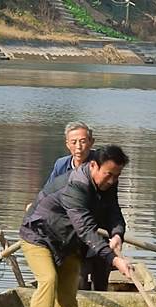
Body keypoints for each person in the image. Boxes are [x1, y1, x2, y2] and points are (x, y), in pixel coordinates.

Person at [20, 145, 132, 307]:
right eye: (108, 174)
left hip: (68, 241)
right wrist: (115, 260)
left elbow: (113, 212)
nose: (111, 180)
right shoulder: (75, 186)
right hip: (39, 236)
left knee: (68, 287)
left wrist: (117, 234)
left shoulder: (109, 183)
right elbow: (86, 230)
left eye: (116, 176)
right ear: (93, 165)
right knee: (49, 280)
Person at [45, 121, 113, 291]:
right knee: (77, 278)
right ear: (67, 144)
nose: (79, 147)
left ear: (91, 142)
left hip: (97, 228)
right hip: (70, 232)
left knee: (100, 276)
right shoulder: (61, 165)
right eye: (74, 142)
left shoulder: (101, 165)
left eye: (83, 141)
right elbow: (48, 194)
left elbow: (109, 202)